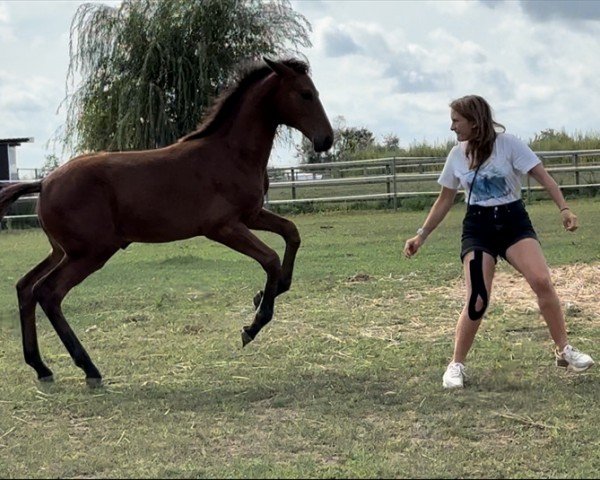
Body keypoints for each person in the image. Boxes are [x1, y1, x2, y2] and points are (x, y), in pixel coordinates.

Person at [403, 94, 594, 389]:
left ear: (474, 121)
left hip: (513, 222)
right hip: (478, 228)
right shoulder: (457, 154)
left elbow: (544, 177)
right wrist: (421, 234)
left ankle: (564, 351)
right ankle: (456, 364)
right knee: (477, 297)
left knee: (542, 280)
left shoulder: (510, 145)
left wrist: (564, 208)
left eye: (456, 120)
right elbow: (444, 200)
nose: (452, 127)